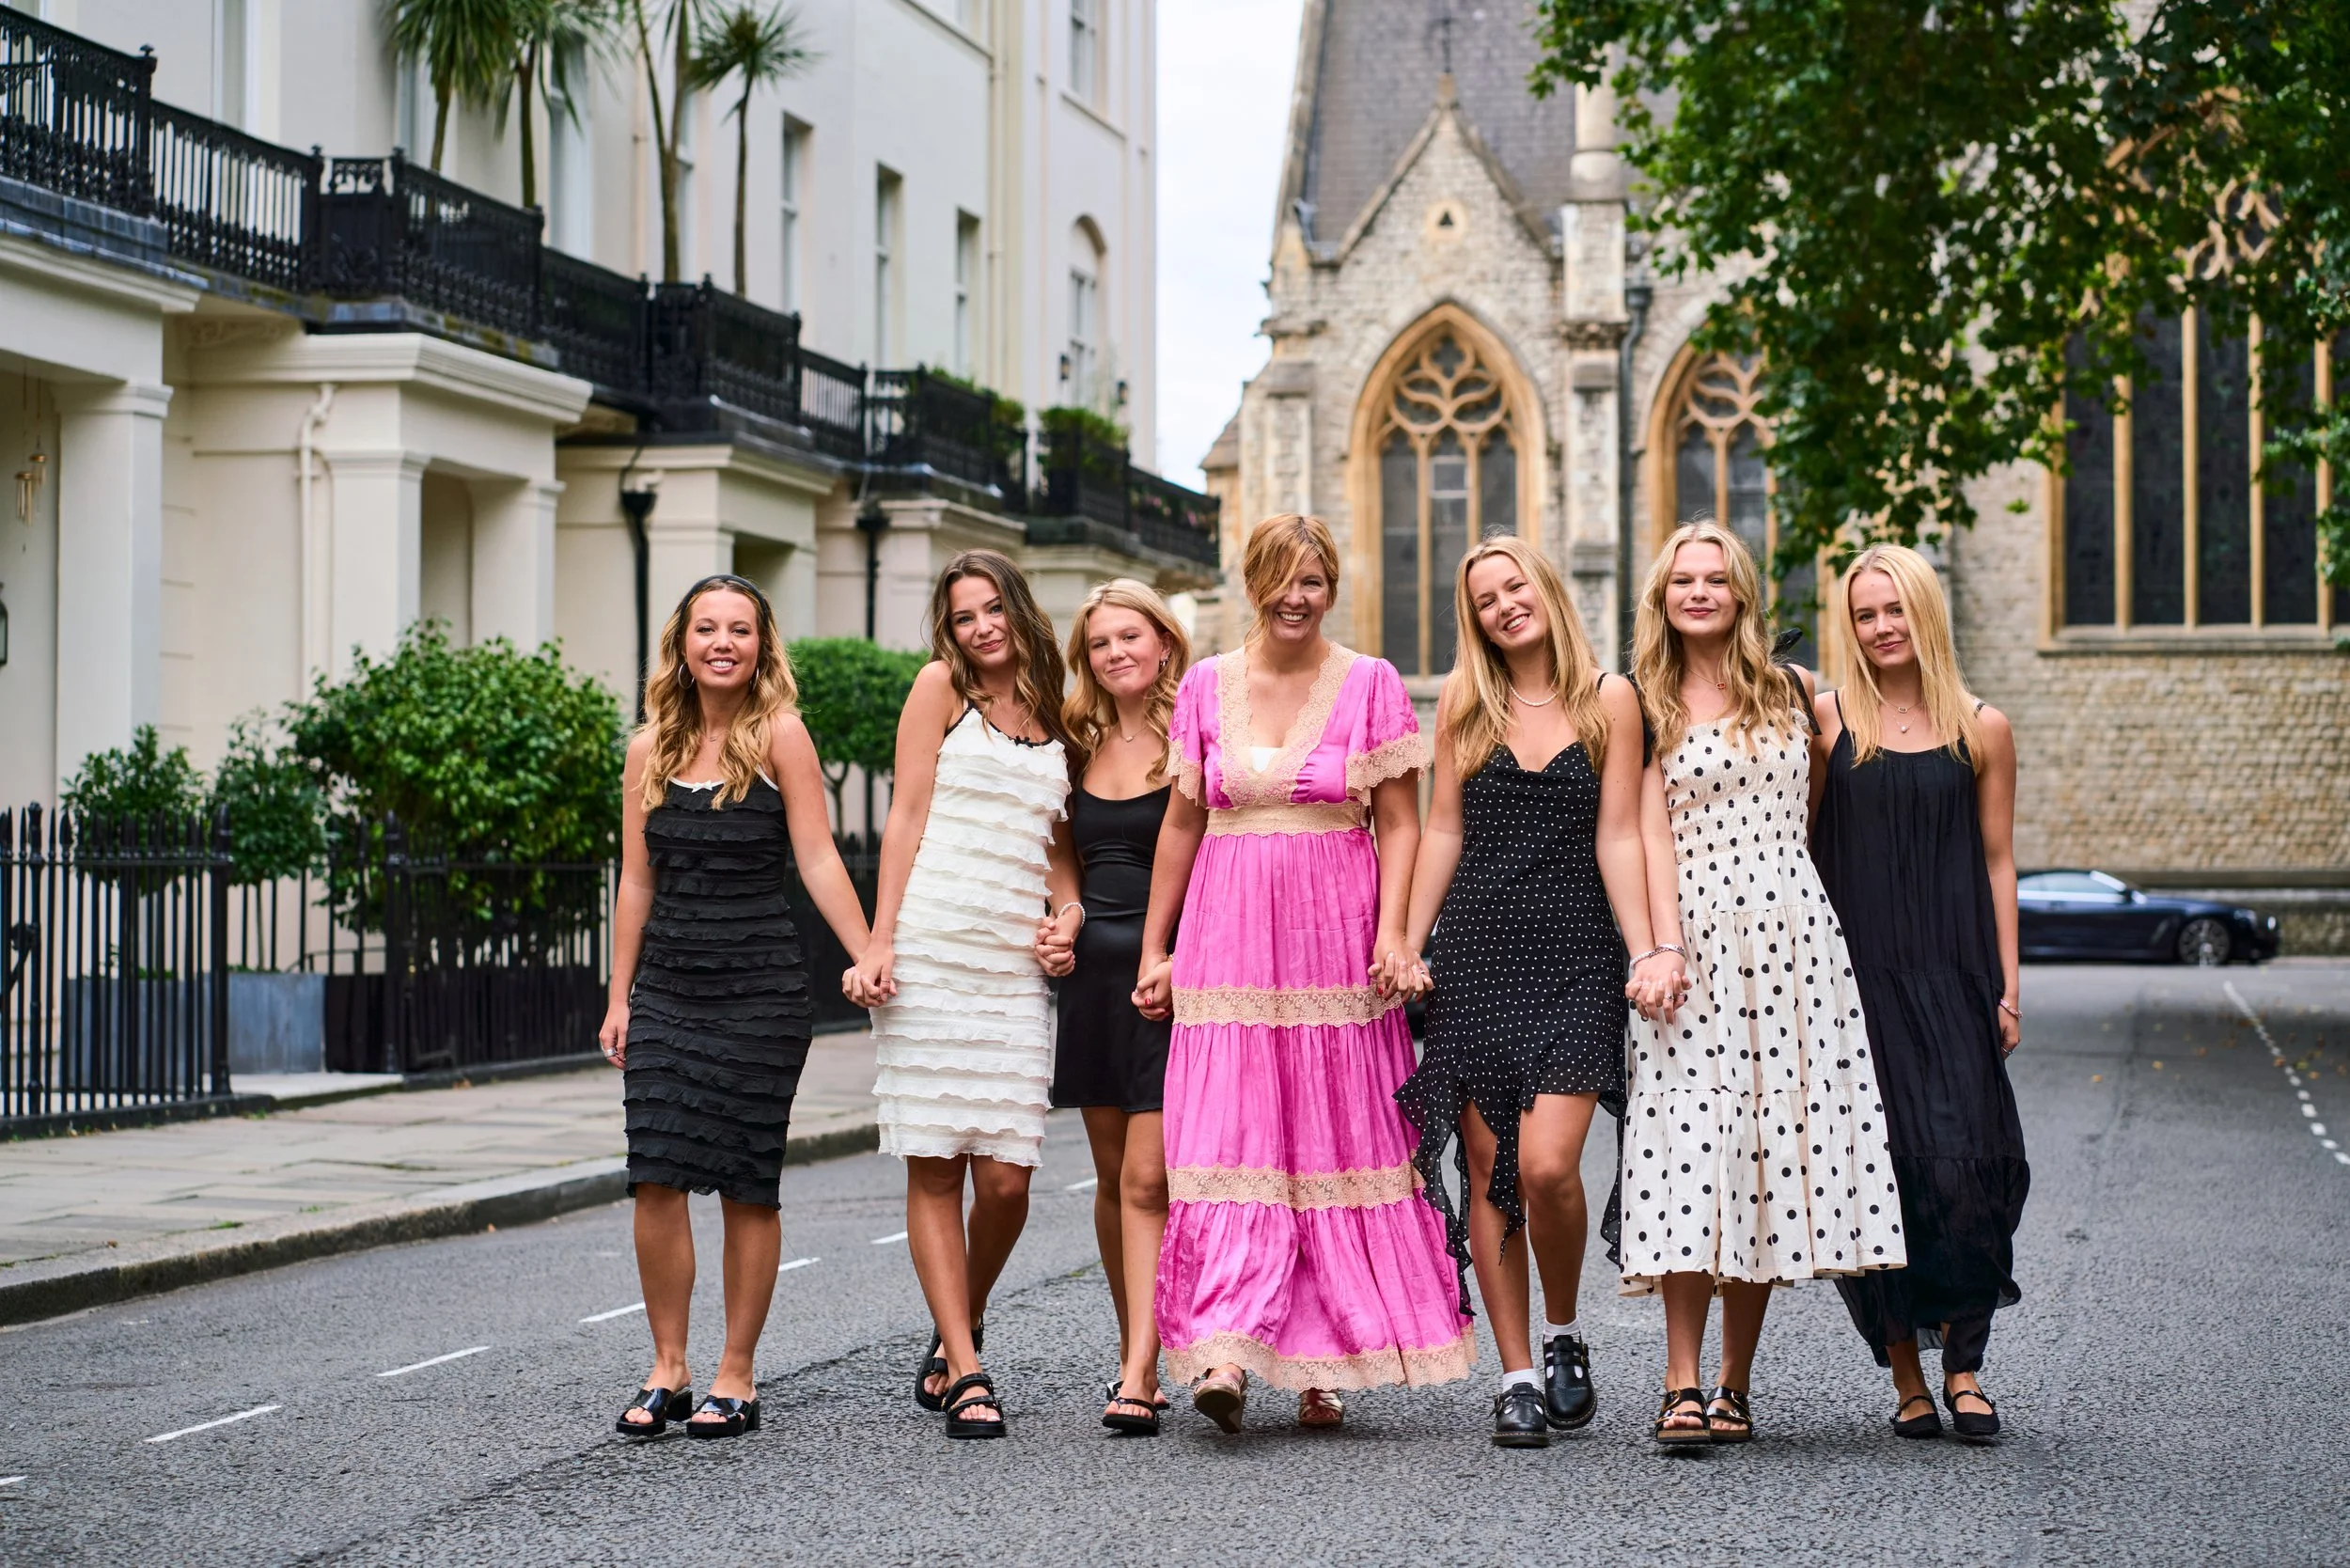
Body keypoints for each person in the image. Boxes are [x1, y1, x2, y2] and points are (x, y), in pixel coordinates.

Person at [1135, 513, 1472, 1433]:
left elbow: (1401, 821)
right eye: (1280, 579)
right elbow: (1180, 823)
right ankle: (1224, 1347)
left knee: (1326, 1142)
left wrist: (1399, 934)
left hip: (1336, 940)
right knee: (1229, 1141)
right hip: (1227, 938)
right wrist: (1154, 949)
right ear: (1253, 584)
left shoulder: (1369, 683)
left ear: (1332, 588)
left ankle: (1321, 1356)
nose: (1296, 596)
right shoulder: (1204, 685)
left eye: (1312, 581)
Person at [1389, 536, 1687, 1448]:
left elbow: (1623, 837)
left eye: (1513, 587)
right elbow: (1440, 830)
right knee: (1490, 1175)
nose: (1502, 606)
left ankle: (1563, 1331)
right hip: (1477, 951)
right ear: (1472, 618)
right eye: (1483, 598)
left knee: (1549, 1166)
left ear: (1545, 589)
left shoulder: (1610, 700)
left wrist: (1648, 948)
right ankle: (1517, 1376)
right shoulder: (1463, 703)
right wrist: (1404, 939)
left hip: (1576, 955)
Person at [1620, 520, 1904, 1448]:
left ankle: (1734, 1385)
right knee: (1691, 1158)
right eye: (1680, 580)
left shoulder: (1795, 690)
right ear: (1661, 597)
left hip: (1792, 941)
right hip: (1691, 943)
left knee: (1761, 1156)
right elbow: (1643, 832)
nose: (1698, 592)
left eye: (1714, 578)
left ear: (1741, 592)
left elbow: (1817, 809)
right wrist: (1659, 945)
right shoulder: (1641, 700)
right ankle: (1678, 1382)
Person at [600, 574, 875, 1441]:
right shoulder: (648, 752)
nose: (723, 642)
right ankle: (668, 1366)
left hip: (760, 990)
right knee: (655, 1175)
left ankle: (736, 1372)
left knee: (747, 1184)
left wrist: (870, 950)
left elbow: (821, 859)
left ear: (763, 646)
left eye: (740, 630)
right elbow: (635, 881)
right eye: (707, 628)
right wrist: (618, 998)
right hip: (669, 991)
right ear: (681, 643)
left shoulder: (781, 737)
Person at [852, 549, 1078, 1440]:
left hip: (1014, 963)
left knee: (1010, 1179)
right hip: (935, 945)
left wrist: (1069, 912)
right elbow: (905, 813)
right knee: (938, 1162)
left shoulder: (1060, 708)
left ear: (1019, 609)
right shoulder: (940, 688)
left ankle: (958, 1324)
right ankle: (969, 1366)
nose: (981, 628)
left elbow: (1058, 841)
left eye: (992, 610)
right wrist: (878, 939)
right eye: (963, 617)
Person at [1811, 542, 2028, 1442]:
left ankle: (1965, 1366)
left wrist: (2009, 988)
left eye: (1894, 609)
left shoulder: (1984, 728)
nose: (1881, 627)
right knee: (1880, 1176)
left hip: (1958, 975)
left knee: (1973, 1169)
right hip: (1857, 983)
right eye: (1864, 614)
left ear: (1925, 614)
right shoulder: (1826, 721)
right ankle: (1906, 1374)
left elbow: (1998, 859)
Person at [1036, 579, 1191, 1437]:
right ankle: (1138, 1341)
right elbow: (1063, 855)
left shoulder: (1196, 733)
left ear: (1163, 642)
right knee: (1110, 1179)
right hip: (1092, 981)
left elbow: (1214, 863)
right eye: (1099, 643)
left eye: (1130, 635)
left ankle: (1141, 1366)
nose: (1116, 653)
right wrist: (1064, 917)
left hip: (1169, 978)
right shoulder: (1075, 742)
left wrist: (1177, 956)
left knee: (1148, 1175)